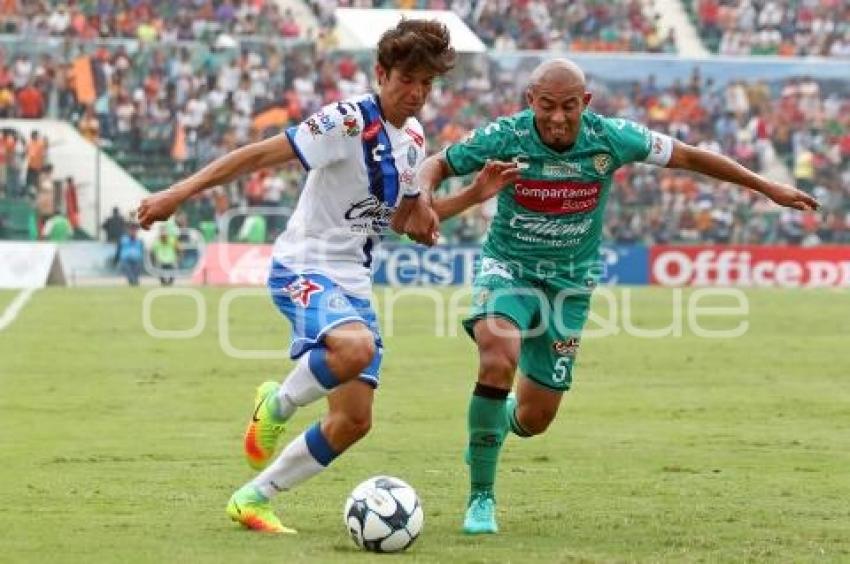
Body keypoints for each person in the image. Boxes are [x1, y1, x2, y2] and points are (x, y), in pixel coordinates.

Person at [136, 19, 518, 535]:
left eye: (428, 83)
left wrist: (472, 196)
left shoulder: (412, 140)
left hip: (354, 283)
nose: (418, 93)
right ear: (381, 73)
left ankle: (254, 498)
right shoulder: (343, 120)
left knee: (354, 421)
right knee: (355, 349)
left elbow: (405, 222)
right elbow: (256, 155)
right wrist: (177, 193)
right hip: (304, 266)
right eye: (408, 79)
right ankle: (277, 403)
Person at [416, 58, 819, 535]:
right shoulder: (505, 136)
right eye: (547, 106)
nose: (559, 118)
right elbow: (437, 164)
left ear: (585, 103)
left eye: (569, 107)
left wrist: (765, 185)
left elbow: (689, 156)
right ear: (531, 101)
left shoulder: (612, 138)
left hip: (570, 285)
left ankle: (492, 426)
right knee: (498, 356)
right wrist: (422, 198)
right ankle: (481, 497)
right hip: (510, 270)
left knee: (535, 417)